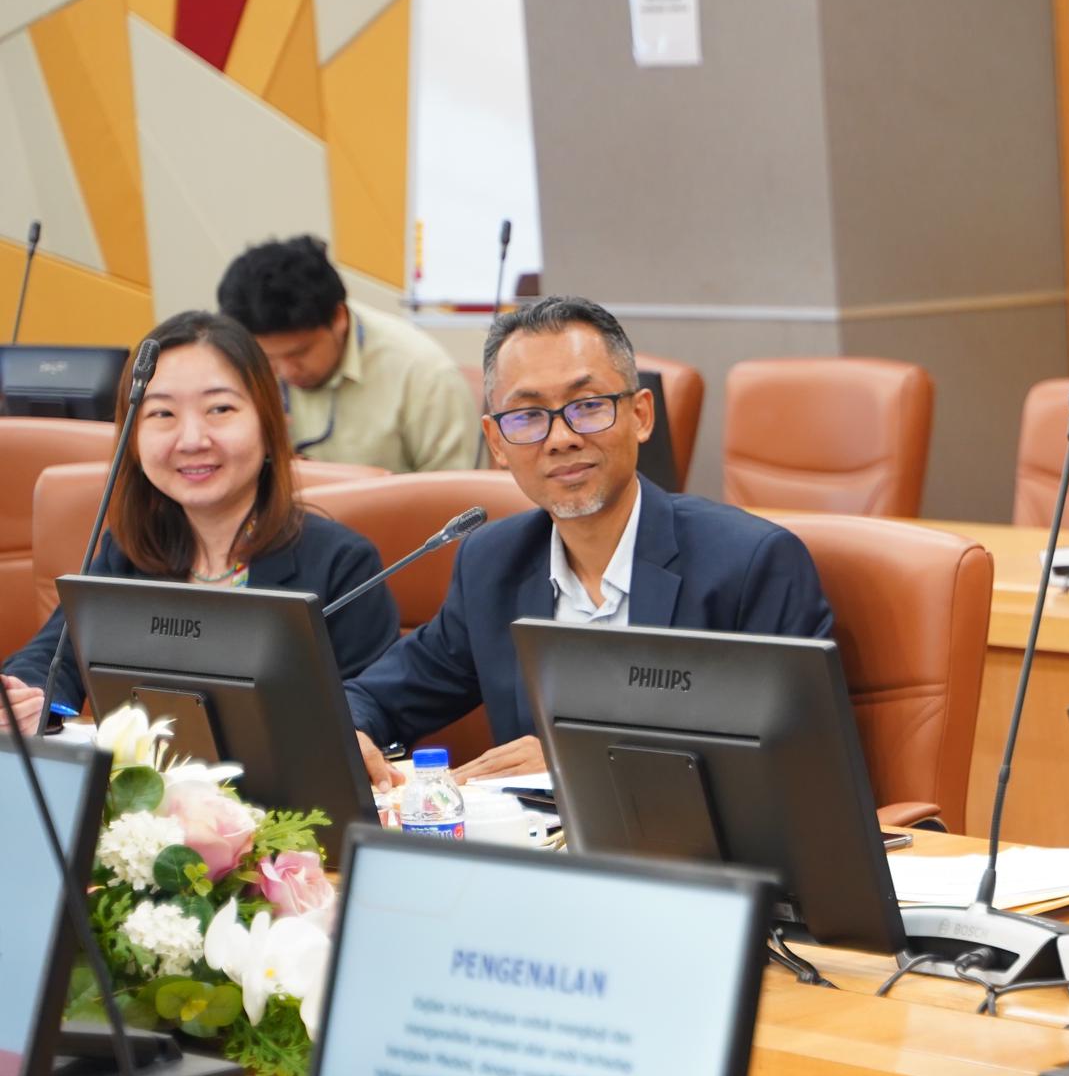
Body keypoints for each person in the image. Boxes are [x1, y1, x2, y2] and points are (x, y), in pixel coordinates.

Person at [344, 296, 831, 782]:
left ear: (641, 415)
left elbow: (794, 758)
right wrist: (354, 731)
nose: (561, 438)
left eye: (589, 406)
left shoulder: (750, 564)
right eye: (528, 416)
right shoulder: (493, 564)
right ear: (496, 443)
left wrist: (577, 762)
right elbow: (374, 697)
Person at [3, 312, 399, 733]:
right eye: (162, 414)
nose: (192, 440)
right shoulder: (128, 553)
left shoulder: (342, 563)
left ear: (269, 423)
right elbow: (51, 660)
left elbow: (372, 710)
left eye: (219, 409)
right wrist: (27, 698)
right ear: (132, 439)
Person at [217, 235, 479, 473]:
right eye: (269, 358)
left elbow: (457, 499)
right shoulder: (232, 359)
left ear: (339, 318)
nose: (286, 371)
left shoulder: (425, 376)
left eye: (300, 353)